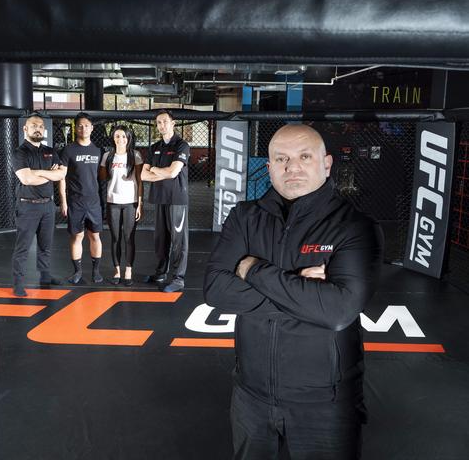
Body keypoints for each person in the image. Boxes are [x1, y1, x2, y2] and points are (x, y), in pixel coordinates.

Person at [203, 124, 384, 460]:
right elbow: (215, 289)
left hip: (325, 404)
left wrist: (253, 269)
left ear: (326, 164)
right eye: (281, 158)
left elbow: (337, 310)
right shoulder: (244, 217)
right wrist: (302, 288)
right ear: (268, 167)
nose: (292, 167)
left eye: (304, 156)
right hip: (251, 396)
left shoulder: (354, 226)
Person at [11, 115, 66, 296]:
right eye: (34, 125)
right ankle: (18, 283)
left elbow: (60, 175)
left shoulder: (50, 151)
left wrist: (38, 173)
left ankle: (45, 276)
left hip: (48, 207)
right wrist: (48, 174)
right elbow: (26, 178)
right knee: (23, 247)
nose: (38, 129)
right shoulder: (20, 153)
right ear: (25, 129)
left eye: (41, 126)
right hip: (28, 207)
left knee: (45, 245)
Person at [141, 109, 190, 292]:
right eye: (159, 122)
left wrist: (155, 169)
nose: (161, 125)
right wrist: (161, 172)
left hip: (177, 199)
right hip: (160, 197)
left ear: (172, 123)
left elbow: (173, 172)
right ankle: (161, 272)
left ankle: (178, 278)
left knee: (179, 240)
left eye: (164, 121)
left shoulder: (182, 145)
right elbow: (144, 176)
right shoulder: (154, 147)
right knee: (161, 238)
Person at [58, 112, 104, 284]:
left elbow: (102, 177)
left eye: (87, 125)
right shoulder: (68, 150)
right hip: (75, 202)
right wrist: (63, 201)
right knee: (77, 237)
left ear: (92, 128)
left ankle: (96, 271)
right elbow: (61, 177)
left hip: (94, 202)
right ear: (75, 128)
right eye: (80, 125)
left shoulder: (98, 151)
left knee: (95, 236)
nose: (83, 128)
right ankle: (77, 272)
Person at [99, 125, 144, 286]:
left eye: (124, 136)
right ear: (113, 138)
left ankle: (128, 271)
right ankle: (117, 270)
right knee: (116, 238)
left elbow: (140, 181)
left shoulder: (135, 155)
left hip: (131, 203)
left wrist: (140, 203)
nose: (120, 139)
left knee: (129, 237)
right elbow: (102, 178)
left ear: (128, 138)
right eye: (117, 136)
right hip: (113, 203)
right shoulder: (107, 156)